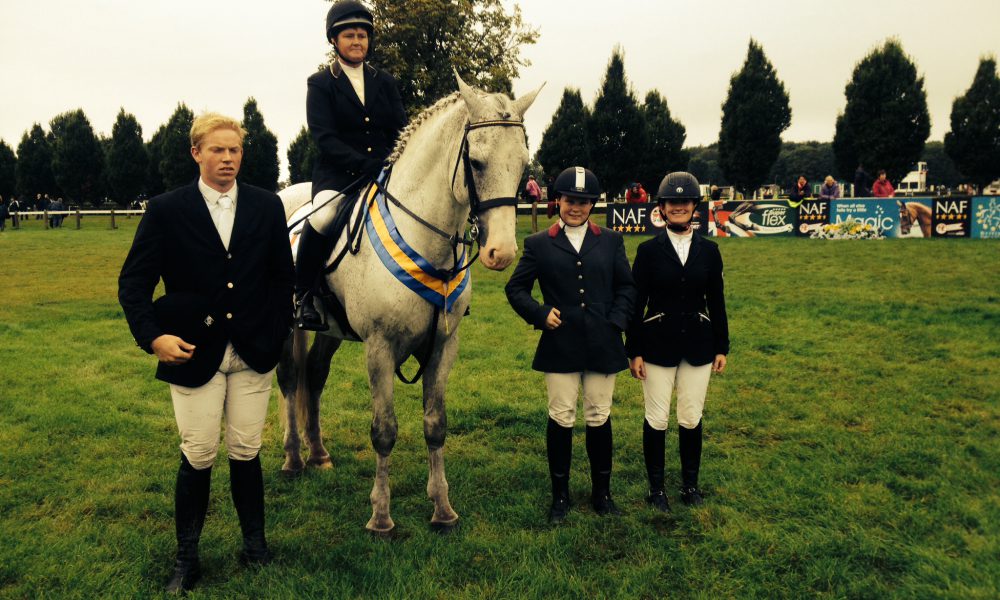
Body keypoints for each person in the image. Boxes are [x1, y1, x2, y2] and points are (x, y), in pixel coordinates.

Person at [118, 112, 294, 593]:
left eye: (234, 150)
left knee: (246, 449)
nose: (227, 159)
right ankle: (187, 559)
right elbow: (133, 283)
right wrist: (153, 338)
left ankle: (255, 546)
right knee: (198, 452)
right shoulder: (165, 210)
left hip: (254, 351)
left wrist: (277, 331)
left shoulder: (266, 206)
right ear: (196, 153)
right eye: (217, 150)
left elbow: (283, 278)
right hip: (192, 353)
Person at [505, 166, 637, 524]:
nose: (576, 207)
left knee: (599, 415)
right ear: (558, 201)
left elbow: (627, 287)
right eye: (569, 200)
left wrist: (616, 321)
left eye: (583, 201)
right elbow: (515, 288)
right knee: (561, 416)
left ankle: (602, 493)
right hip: (560, 344)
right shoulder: (538, 243)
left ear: (592, 204)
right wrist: (540, 313)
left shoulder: (610, 240)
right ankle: (560, 496)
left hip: (603, 342)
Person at [294, 0, 407, 331]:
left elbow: (400, 129)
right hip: (338, 174)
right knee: (323, 216)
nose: (357, 41)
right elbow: (324, 138)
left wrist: (392, 162)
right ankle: (304, 295)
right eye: (349, 36)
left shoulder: (384, 81)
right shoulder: (320, 83)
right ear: (334, 40)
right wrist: (363, 163)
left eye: (362, 35)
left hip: (383, 173)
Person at [626, 171, 729, 511]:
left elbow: (716, 301)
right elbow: (635, 304)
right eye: (673, 202)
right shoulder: (648, 251)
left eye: (685, 202)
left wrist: (722, 346)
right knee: (657, 418)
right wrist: (633, 350)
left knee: (690, 416)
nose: (679, 207)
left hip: (699, 344)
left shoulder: (710, 251)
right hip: (657, 344)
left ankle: (690, 485)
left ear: (694, 206)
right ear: (662, 208)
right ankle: (656, 489)